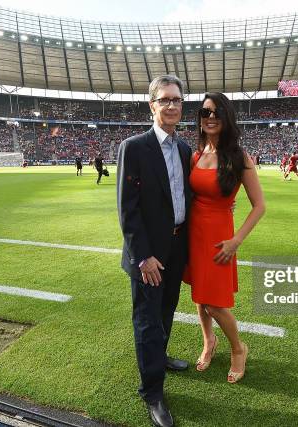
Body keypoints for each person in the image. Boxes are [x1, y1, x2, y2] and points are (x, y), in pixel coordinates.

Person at [117, 75, 192, 427]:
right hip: (149, 255)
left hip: (177, 247)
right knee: (147, 323)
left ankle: (158, 359)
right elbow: (127, 209)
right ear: (152, 105)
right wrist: (143, 256)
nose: (172, 105)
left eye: (177, 99)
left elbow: (187, 197)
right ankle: (152, 393)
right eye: (165, 100)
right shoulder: (134, 147)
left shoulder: (184, 149)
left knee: (166, 312)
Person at [183, 92, 265, 385]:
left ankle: (238, 349)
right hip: (194, 234)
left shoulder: (239, 157)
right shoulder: (195, 154)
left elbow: (260, 206)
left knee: (216, 303)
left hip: (220, 237)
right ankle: (208, 341)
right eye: (205, 113)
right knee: (199, 296)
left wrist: (236, 241)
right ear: (200, 119)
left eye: (217, 112)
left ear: (226, 117)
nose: (211, 117)